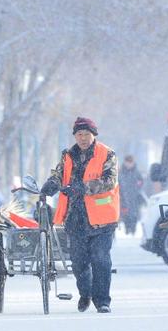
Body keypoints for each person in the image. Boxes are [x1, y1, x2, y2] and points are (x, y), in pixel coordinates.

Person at [40, 117, 120, 313]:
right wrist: (51, 184)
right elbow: (59, 173)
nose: (83, 138)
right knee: (78, 262)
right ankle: (85, 294)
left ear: (94, 135)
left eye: (86, 134)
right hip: (75, 217)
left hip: (102, 219)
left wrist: (83, 187)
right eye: (79, 134)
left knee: (100, 259)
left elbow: (110, 181)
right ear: (75, 136)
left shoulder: (107, 154)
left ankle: (102, 301)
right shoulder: (68, 155)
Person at [118, 155, 144, 235]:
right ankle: (127, 228)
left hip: (134, 196)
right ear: (125, 162)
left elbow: (141, 181)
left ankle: (133, 229)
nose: (129, 164)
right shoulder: (121, 172)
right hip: (124, 196)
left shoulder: (136, 172)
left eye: (130, 162)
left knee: (134, 214)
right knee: (125, 213)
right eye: (127, 162)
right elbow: (118, 182)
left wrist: (138, 186)